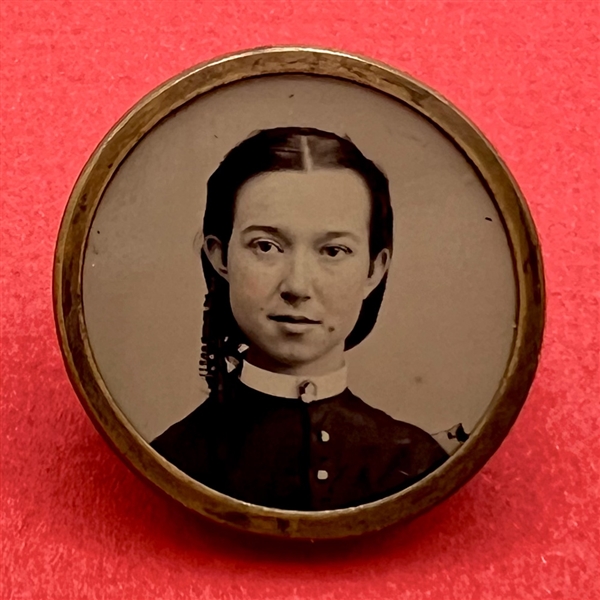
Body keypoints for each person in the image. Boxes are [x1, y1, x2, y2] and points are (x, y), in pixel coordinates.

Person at [151, 127, 449, 511]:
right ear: (220, 256)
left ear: (375, 269)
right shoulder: (174, 461)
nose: (297, 285)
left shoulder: (415, 463)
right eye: (267, 246)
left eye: (334, 250)